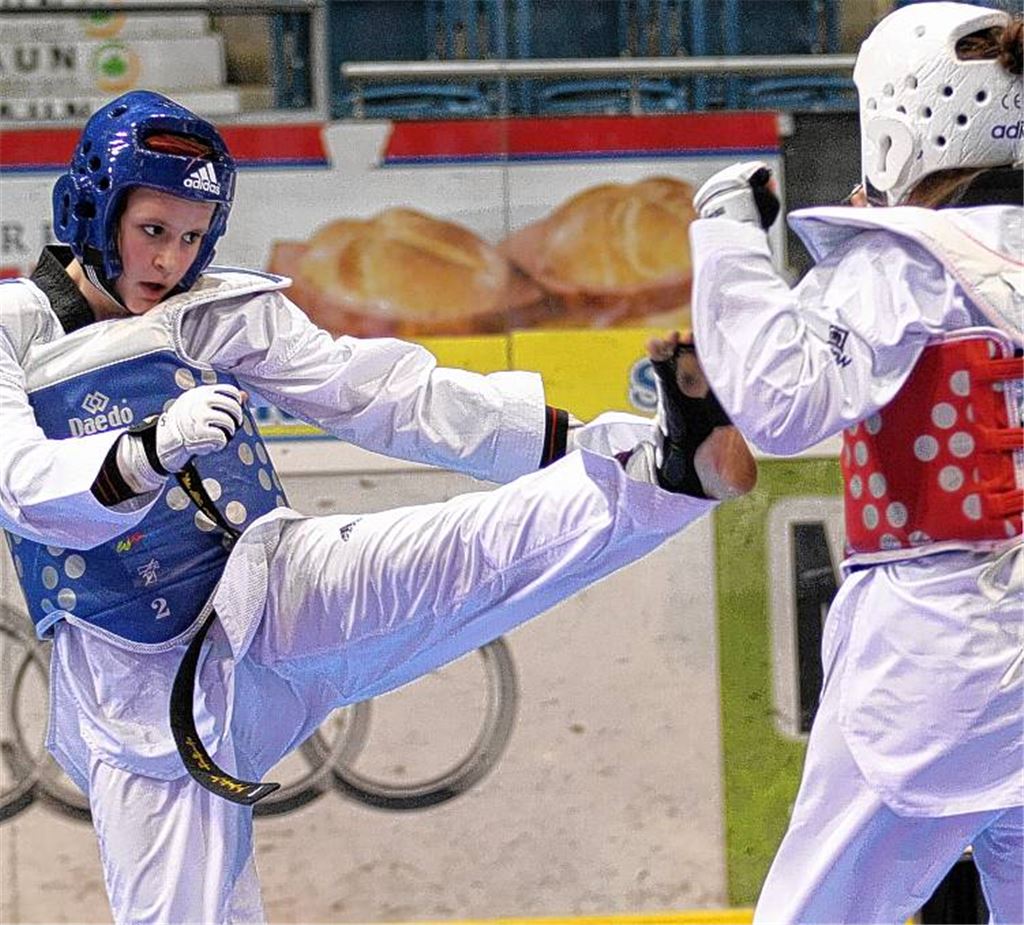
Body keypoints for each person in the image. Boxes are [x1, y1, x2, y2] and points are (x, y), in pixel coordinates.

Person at [0, 90, 755, 923]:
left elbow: (385, 395)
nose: (170, 261)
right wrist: (148, 450)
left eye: (191, 236)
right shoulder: (12, 329)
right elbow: (24, 484)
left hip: (267, 590)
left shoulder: (214, 312)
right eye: (152, 231)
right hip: (135, 682)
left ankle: (656, 466)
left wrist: (569, 435)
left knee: (460, 554)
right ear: (93, 210)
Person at [687, 2, 1022, 922]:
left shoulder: (908, 262)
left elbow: (782, 404)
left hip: (938, 656)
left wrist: (724, 238)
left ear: (897, 121)